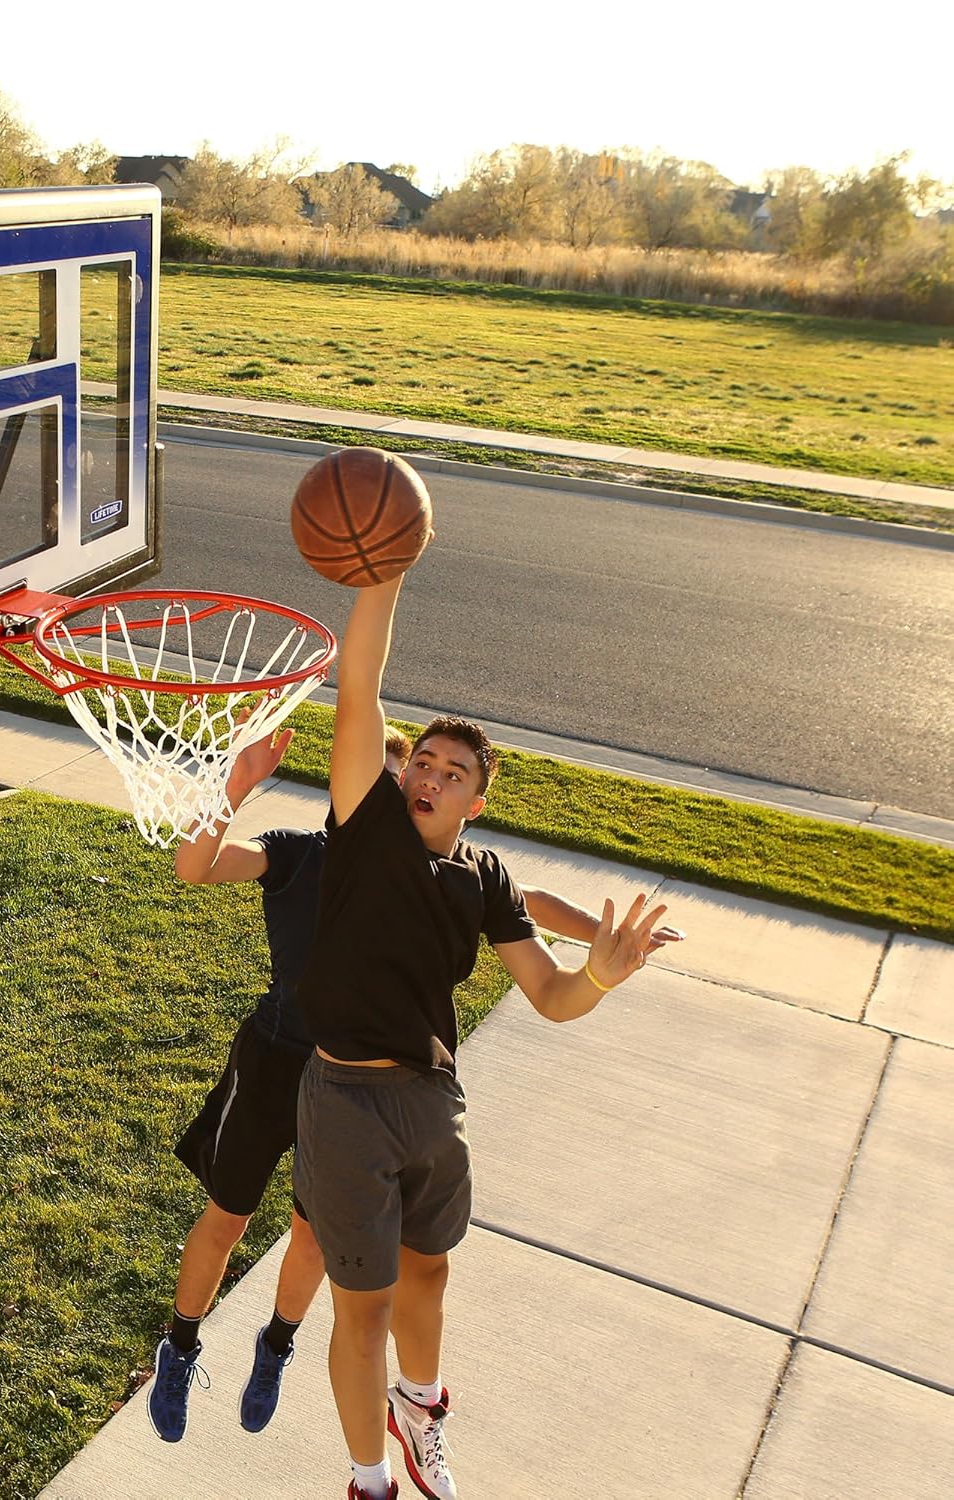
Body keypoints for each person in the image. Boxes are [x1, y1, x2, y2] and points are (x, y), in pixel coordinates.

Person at [148, 719, 679, 1450]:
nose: (413, 790)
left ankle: (275, 1346)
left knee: (311, 1242)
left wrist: (605, 942)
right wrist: (235, 785)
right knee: (228, 1217)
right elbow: (197, 865)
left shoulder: (431, 874)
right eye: (403, 776)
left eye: (428, 780)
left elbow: (527, 899)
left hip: (351, 1093)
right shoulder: (304, 857)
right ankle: (179, 1346)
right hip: (277, 1060)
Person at [292, 576, 669, 1500]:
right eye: (420, 760)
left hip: (430, 1100)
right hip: (344, 1101)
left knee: (430, 1276)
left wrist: (601, 976)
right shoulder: (366, 828)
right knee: (366, 1307)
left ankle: (419, 1409)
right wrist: (383, 579)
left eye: (449, 773)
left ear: (477, 803)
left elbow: (547, 991)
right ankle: (368, 1481)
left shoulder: (484, 877)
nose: (425, 775)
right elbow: (359, 694)